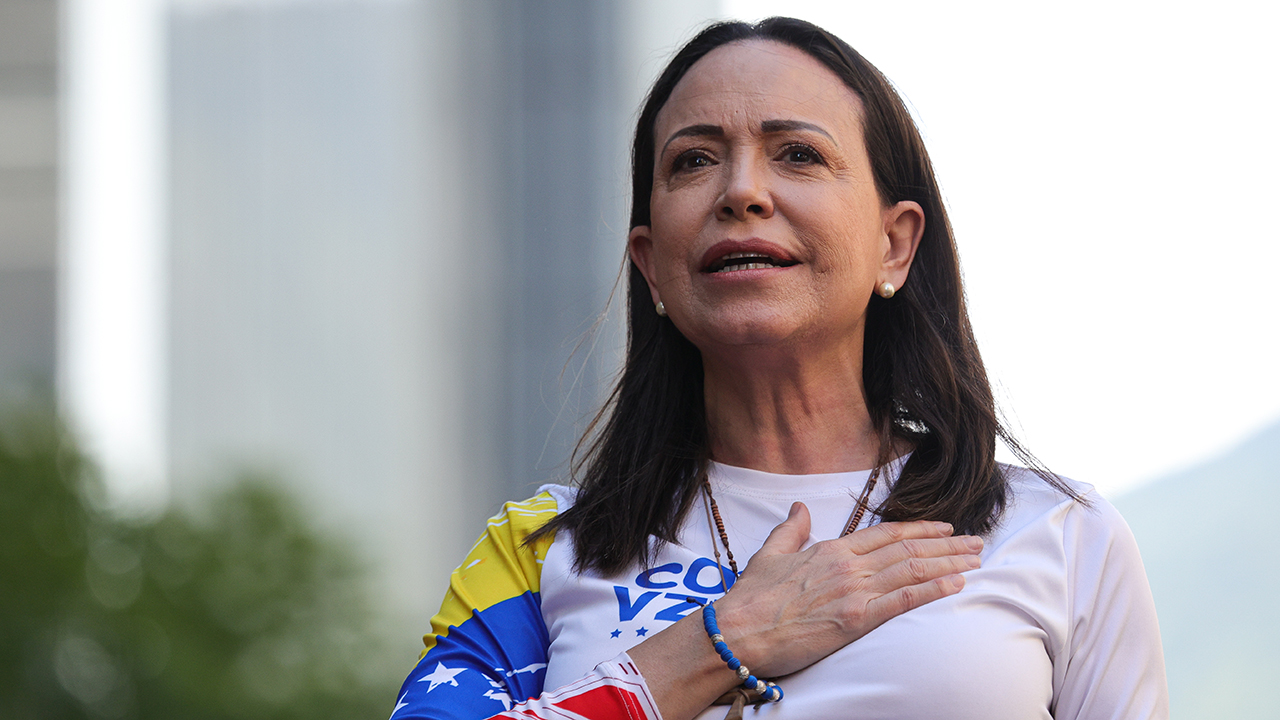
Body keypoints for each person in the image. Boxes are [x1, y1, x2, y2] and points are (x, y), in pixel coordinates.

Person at [391, 17, 1168, 720]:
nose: (741, 192)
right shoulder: (538, 551)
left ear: (895, 245)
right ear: (651, 263)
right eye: (694, 160)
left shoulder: (1061, 534)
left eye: (798, 154)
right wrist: (719, 642)